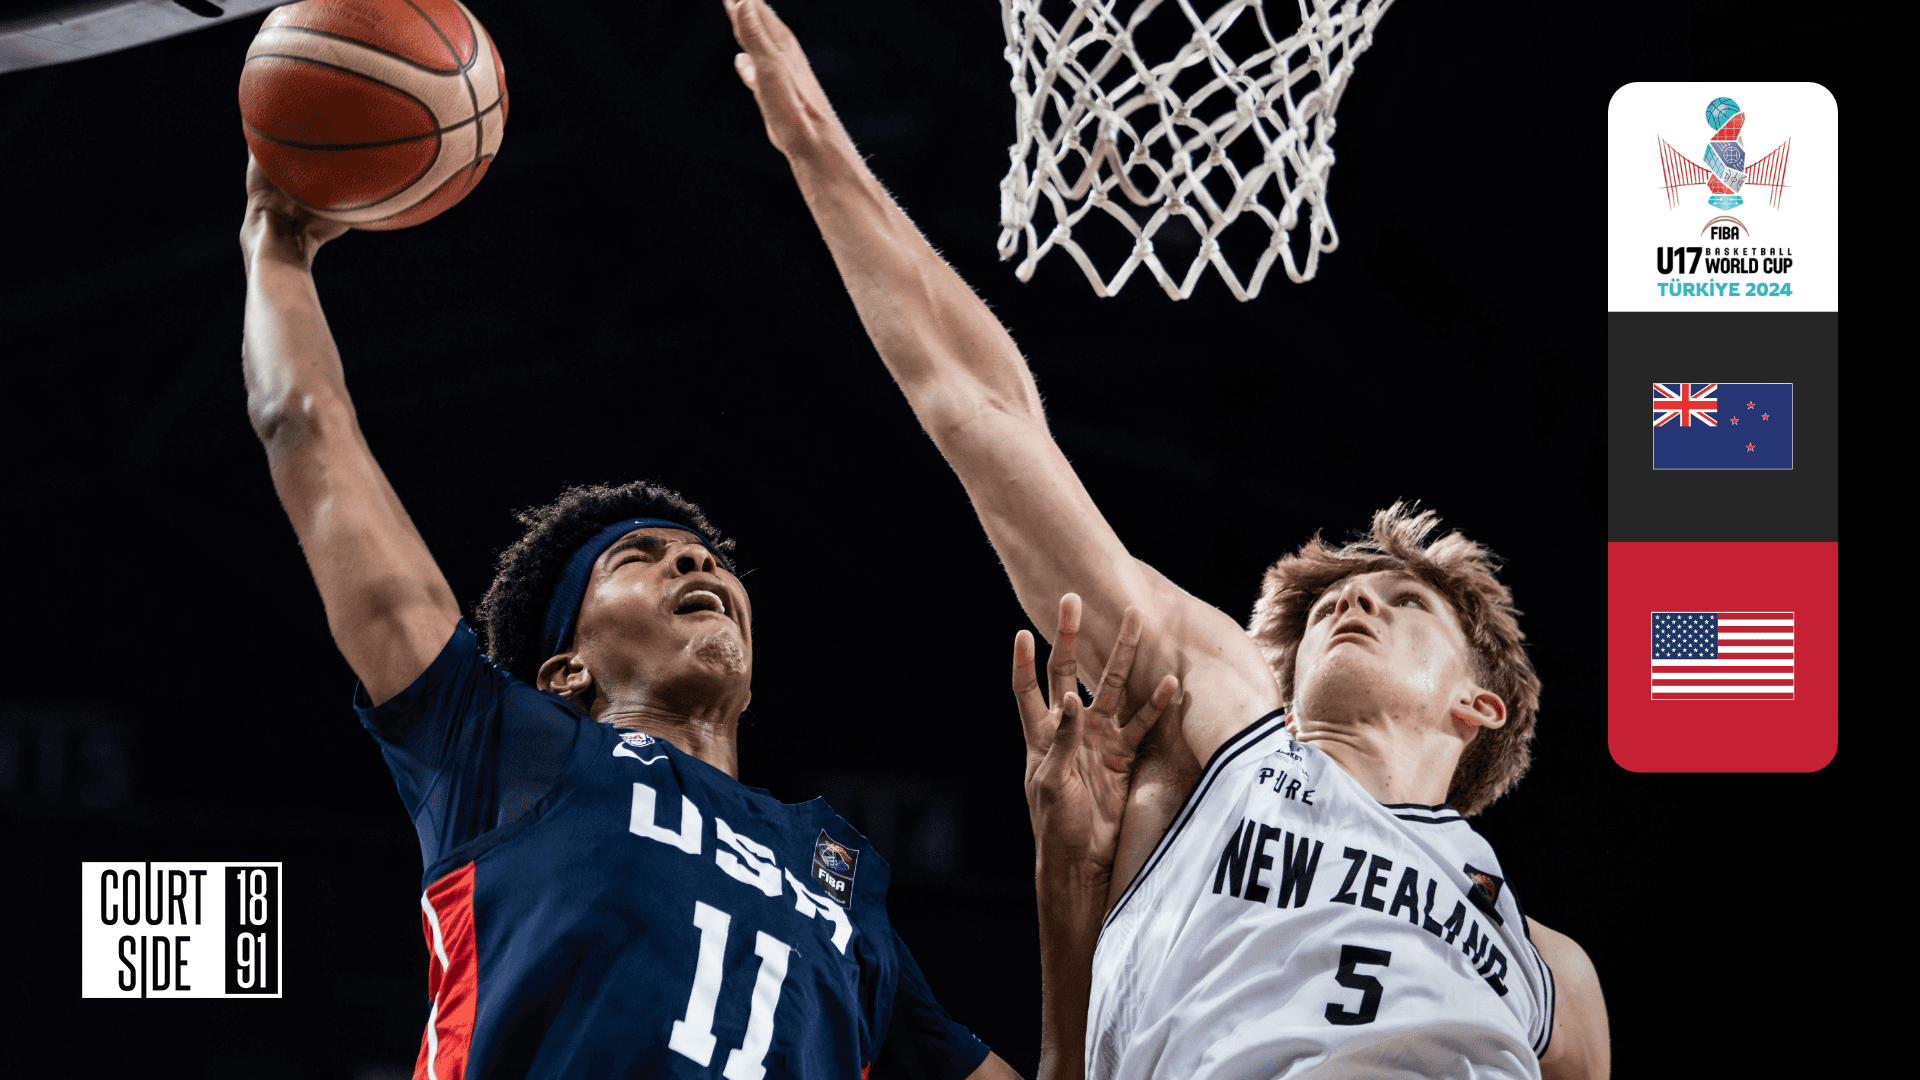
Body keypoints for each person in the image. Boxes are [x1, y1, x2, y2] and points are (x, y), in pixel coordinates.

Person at [720, 1, 1610, 1077]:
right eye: (1338, 598)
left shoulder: (1553, 970)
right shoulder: (1230, 735)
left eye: (1404, 602)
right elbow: (987, 415)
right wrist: (820, 150)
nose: (1352, 599)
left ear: (1481, 704)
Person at [237, 161, 1021, 1078]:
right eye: (637, 557)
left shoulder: (835, 872)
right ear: (565, 671)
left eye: (710, 559)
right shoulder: (508, 751)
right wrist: (276, 245)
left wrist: (1073, 879)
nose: (697, 561)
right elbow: (305, 426)